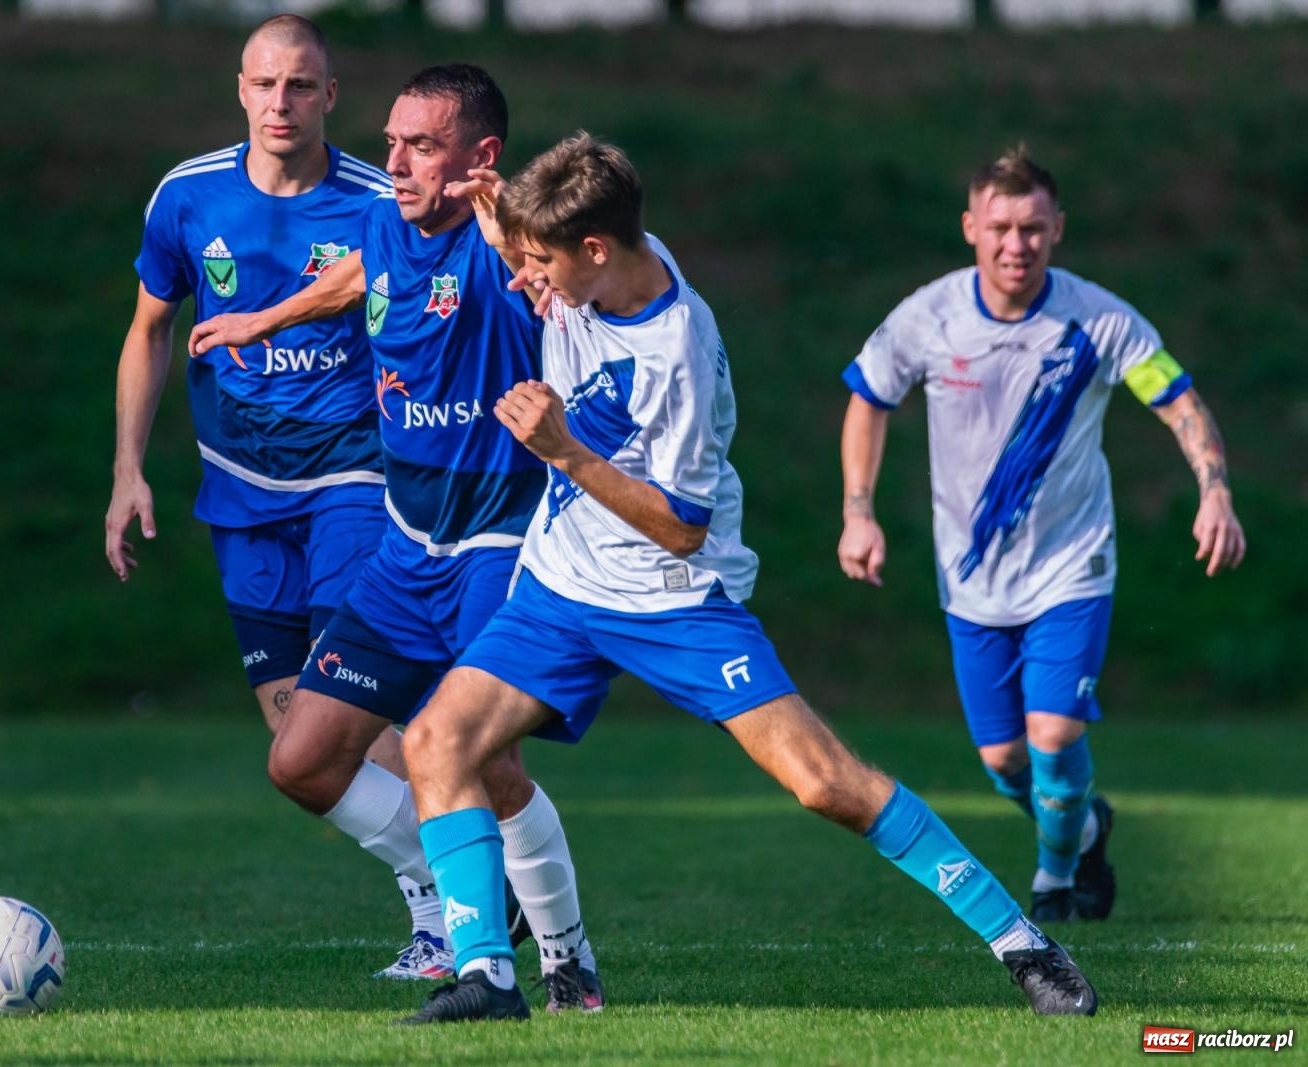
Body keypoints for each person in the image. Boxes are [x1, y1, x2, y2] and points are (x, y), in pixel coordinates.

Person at [394, 133, 1097, 1024]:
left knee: (824, 783)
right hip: (561, 585)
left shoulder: (676, 346)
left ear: (598, 251)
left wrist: (563, 449)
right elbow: (544, 249)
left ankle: (1024, 943)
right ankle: (489, 976)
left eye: (542, 262)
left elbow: (682, 529)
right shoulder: (608, 262)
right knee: (437, 743)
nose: (528, 278)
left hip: (672, 597)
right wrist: (509, 227)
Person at [188, 64, 604, 1012]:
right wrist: (264, 315)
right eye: (391, 142)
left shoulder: (521, 252)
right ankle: (471, 884)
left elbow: (540, 290)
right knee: (301, 760)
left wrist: (506, 224)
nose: (397, 162)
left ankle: (564, 960)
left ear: (480, 160)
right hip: (406, 547)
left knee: (483, 759)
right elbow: (356, 275)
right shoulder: (383, 219)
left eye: (421, 145)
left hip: (501, 545)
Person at [103, 15, 447, 979]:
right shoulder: (187, 195)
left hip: (354, 478)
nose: (279, 104)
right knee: (293, 730)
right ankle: (452, 888)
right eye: (264, 85)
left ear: (331, 97)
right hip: (240, 491)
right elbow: (148, 331)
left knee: (353, 711)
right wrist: (129, 470)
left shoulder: (380, 199)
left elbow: (399, 276)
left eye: (300, 86)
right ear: (239, 89)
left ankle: (447, 916)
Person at [836, 146, 1245, 922]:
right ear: (970, 228)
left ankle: (1055, 882)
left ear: (1057, 229)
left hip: (1072, 566)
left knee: (1054, 738)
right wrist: (859, 510)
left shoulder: (1101, 320)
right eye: (1000, 226)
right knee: (1005, 762)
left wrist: (1214, 491)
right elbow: (868, 398)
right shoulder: (929, 316)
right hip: (973, 576)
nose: (1015, 243)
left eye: (1032, 227)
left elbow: (1179, 400)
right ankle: (1087, 828)